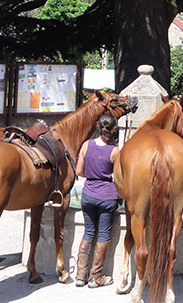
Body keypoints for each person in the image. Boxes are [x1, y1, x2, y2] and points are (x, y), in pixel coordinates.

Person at [74, 113, 120, 288]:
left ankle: (80, 275)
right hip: (107, 196)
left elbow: (79, 171)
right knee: (103, 234)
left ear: (98, 127)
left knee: (88, 232)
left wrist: (92, 175)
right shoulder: (115, 151)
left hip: (88, 194)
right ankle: (97, 277)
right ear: (113, 129)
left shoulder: (86, 145)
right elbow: (119, 177)